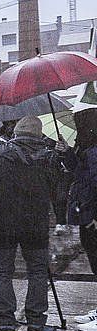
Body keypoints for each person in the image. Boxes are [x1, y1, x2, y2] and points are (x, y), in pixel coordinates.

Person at [0, 116, 66, 331]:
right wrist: (62, 155)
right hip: (34, 224)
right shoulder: (48, 158)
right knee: (38, 272)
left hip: (2, 223)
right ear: (39, 135)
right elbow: (59, 191)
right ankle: (36, 325)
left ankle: (6, 325)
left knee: (3, 272)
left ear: (16, 133)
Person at [67, 120, 97, 280]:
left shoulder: (93, 153)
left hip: (91, 214)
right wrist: (67, 152)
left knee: (93, 251)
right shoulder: (86, 151)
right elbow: (78, 172)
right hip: (86, 211)